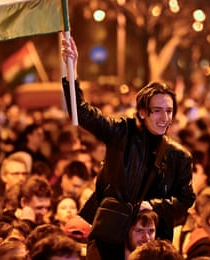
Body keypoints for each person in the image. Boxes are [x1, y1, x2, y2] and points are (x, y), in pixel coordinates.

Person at [61, 36, 195, 260]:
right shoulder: (121, 132)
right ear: (143, 111)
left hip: (152, 246)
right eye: (157, 111)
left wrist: (151, 205)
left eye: (169, 111)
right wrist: (71, 68)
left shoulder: (179, 156)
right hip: (111, 238)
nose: (165, 118)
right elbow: (82, 113)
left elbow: (185, 199)